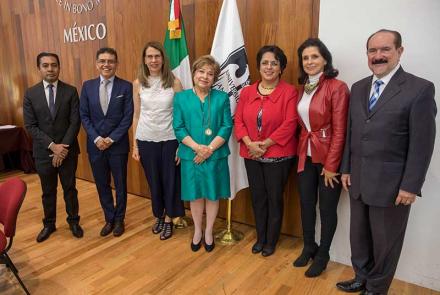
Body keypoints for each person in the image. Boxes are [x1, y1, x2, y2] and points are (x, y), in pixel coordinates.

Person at [336, 29, 436, 295]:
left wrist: (411, 186)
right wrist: (346, 168)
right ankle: (361, 277)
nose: (378, 56)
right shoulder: (358, 88)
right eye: (372, 51)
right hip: (357, 178)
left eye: (385, 50)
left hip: (393, 186)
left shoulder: (420, 89)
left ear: (399, 52)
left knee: (385, 242)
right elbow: (351, 133)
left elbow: (422, 143)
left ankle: (377, 288)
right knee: (359, 236)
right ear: (367, 54)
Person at [293, 38, 349, 277]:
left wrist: (332, 165)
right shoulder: (303, 87)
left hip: (327, 159)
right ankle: (309, 246)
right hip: (304, 156)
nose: (310, 61)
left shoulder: (337, 87)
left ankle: (323, 254)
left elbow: (340, 130)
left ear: (325, 59)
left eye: (314, 56)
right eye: (305, 58)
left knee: (326, 210)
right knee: (306, 205)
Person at [235, 45, 298, 257]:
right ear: (258, 66)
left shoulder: (289, 92)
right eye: (265, 63)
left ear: (281, 68)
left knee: (274, 198)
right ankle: (260, 237)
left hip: (278, 155)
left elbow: (290, 123)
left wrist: (265, 144)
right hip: (251, 153)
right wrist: (250, 143)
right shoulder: (247, 92)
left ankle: (271, 240)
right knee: (257, 197)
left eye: (274, 63)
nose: (269, 67)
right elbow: (239, 120)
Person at [173, 55, 232, 252]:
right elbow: (179, 128)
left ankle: (209, 232)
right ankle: (198, 230)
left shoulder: (222, 98)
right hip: (191, 156)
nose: (205, 76)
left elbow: (226, 127)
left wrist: (209, 150)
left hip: (215, 156)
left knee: (212, 195)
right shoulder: (181, 98)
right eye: (201, 71)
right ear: (194, 73)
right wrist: (198, 148)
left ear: (214, 78)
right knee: (196, 195)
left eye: (210, 73)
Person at [23, 52, 83, 242]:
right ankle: (49, 224)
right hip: (43, 153)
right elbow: (30, 126)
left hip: (68, 151)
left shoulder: (71, 91)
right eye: (46, 65)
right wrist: (52, 146)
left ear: (59, 67)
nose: (50, 69)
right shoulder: (30, 94)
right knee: (48, 191)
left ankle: (73, 221)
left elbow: (75, 122)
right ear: (39, 68)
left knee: (70, 188)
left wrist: (62, 148)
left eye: (54, 65)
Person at [132, 41, 185, 240]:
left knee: (170, 181)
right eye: (149, 57)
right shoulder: (137, 83)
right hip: (146, 139)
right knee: (154, 182)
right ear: (144, 60)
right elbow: (136, 115)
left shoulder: (175, 82)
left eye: (157, 56)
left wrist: (181, 145)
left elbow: (182, 116)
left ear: (163, 59)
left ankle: (171, 218)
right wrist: (135, 144)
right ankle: (160, 216)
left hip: (170, 139)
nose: (153, 60)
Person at [79, 48, 134, 237]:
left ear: (116, 64)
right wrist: (96, 138)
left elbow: (128, 117)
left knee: (120, 184)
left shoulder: (126, 87)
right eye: (102, 61)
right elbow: (84, 116)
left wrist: (111, 139)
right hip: (95, 146)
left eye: (110, 61)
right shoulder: (87, 86)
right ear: (96, 63)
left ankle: (120, 219)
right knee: (102, 184)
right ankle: (109, 218)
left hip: (117, 145)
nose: (106, 64)